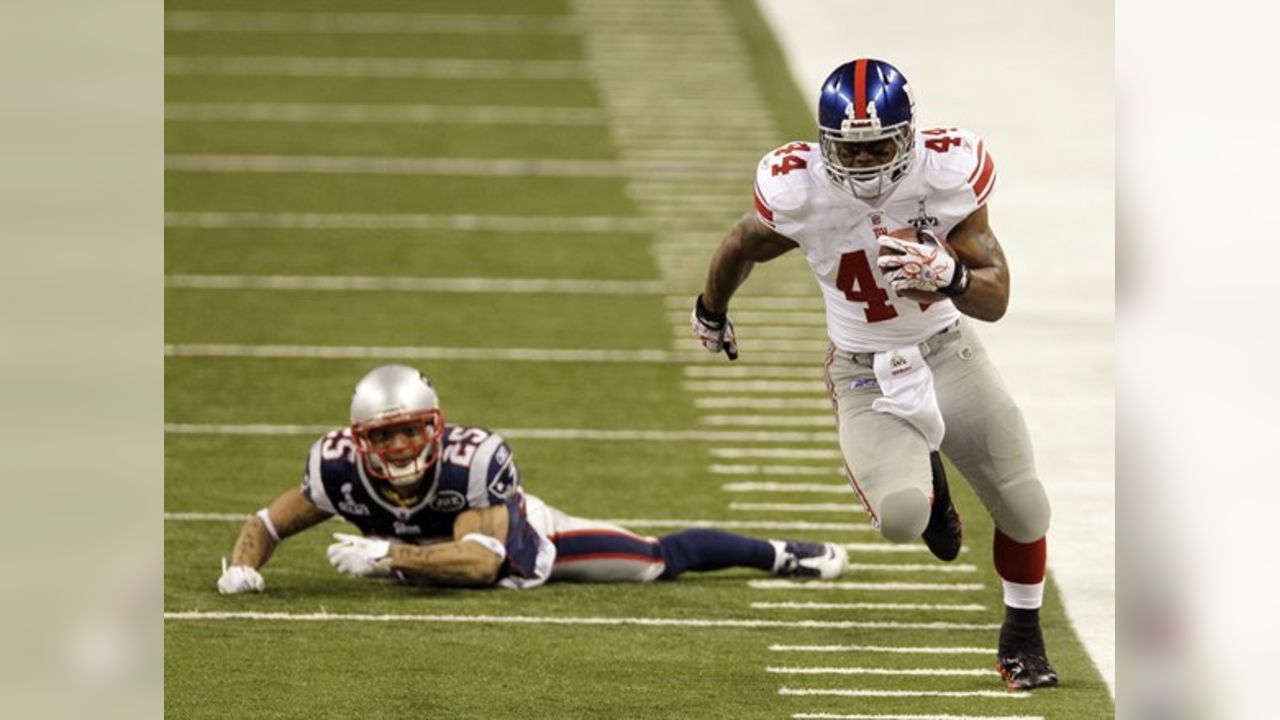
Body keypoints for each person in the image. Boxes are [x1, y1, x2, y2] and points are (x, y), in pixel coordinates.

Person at [688, 58, 1057, 690]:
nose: (864, 164)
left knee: (1026, 506)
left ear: (908, 135)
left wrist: (952, 277)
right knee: (903, 519)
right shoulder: (798, 188)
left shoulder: (947, 177)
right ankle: (931, 483)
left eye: (878, 146)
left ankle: (1023, 635)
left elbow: (995, 301)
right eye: (849, 150)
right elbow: (743, 242)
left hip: (946, 349)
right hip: (863, 370)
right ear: (824, 145)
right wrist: (711, 308)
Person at [216, 364, 848, 597]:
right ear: (360, 441)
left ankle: (780, 554)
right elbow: (268, 522)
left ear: (436, 427)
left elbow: (482, 564)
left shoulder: (474, 459)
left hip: (527, 545)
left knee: (658, 560)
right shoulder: (335, 467)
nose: (401, 444)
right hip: (445, 551)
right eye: (384, 435)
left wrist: (388, 555)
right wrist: (246, 567)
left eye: (411, 429)